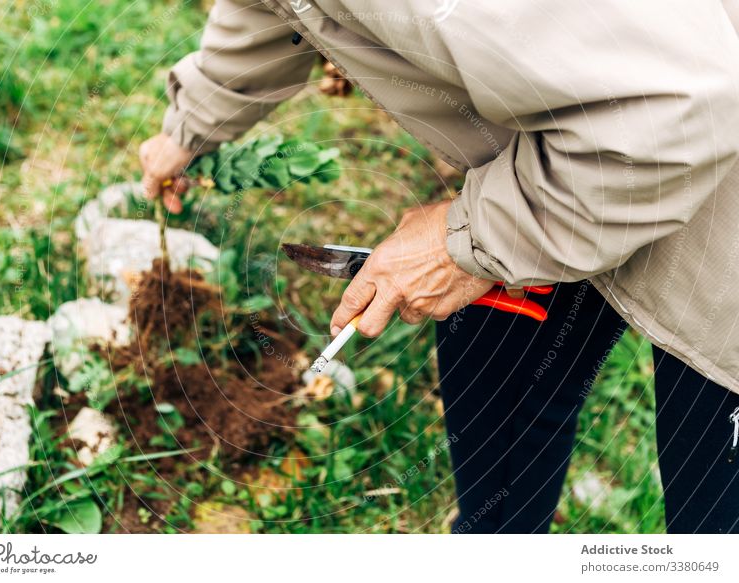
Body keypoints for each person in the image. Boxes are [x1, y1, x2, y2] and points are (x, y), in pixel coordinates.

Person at [139, 0, 739, 533]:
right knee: (498, 424)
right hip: (564, 157)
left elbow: (685, 106)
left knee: (713, 522)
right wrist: (193, 124)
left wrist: (469, 239)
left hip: (711, 203)